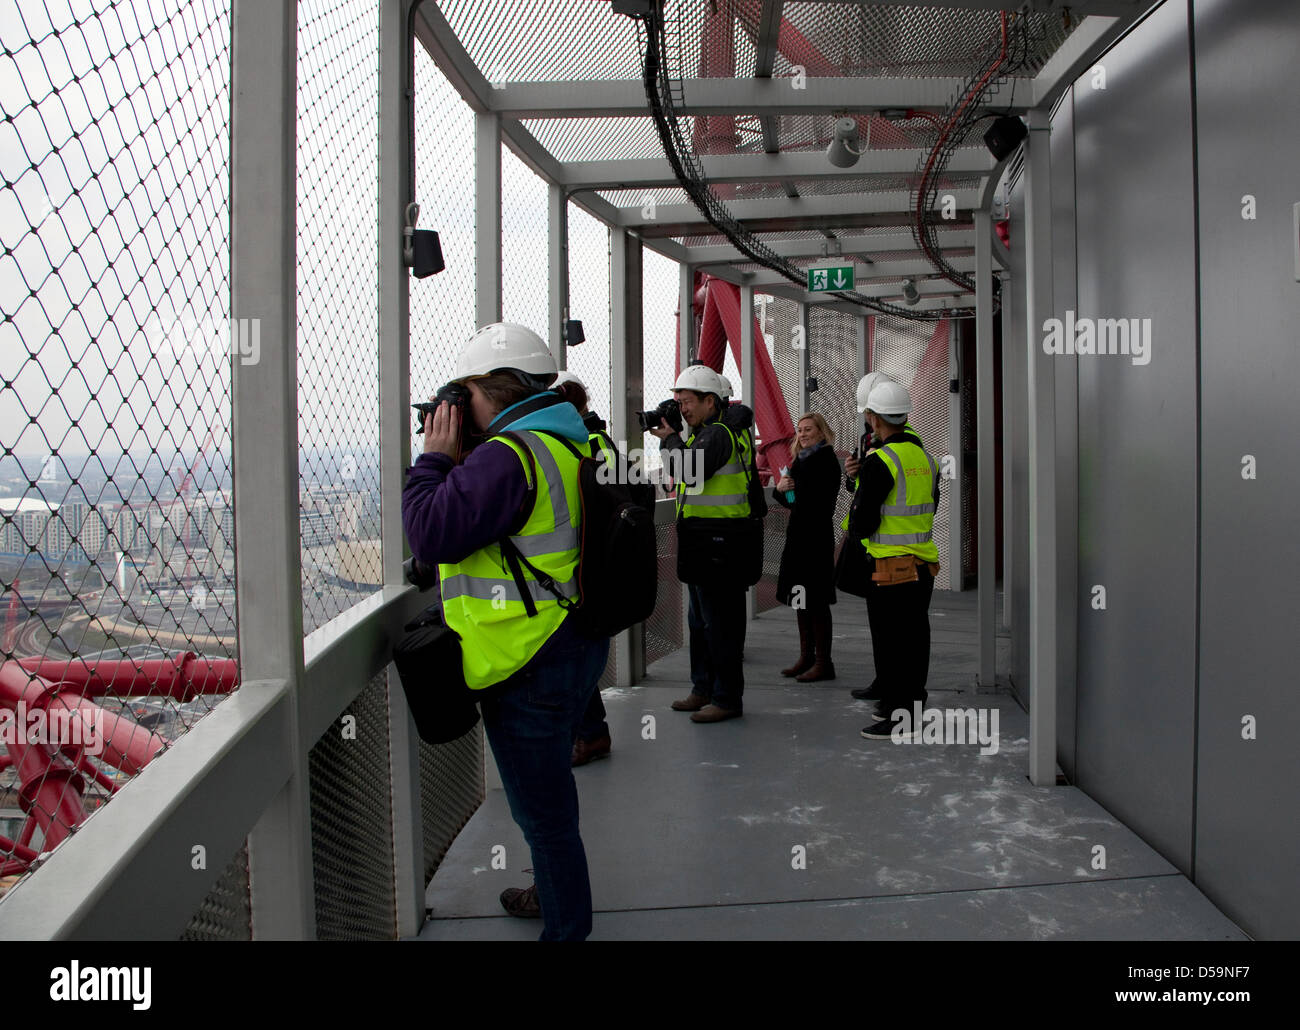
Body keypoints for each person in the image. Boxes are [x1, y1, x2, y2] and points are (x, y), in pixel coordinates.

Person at [401, 322, 609, 940]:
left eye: (462, 396)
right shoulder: (570, 442)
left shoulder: (511, 454)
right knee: (548, 801)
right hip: (573, 640)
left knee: (543, 816)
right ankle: (550, 892)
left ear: (489, 391)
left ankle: (566, 927)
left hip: (525, 659)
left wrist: (435, 458)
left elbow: (431, 534)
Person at [548, 370, 650, 767]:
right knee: (579, 648)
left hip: (583, 567)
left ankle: (590, 735)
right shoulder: (595, 442)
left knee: (576, 648)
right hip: (589, 564)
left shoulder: (584, 444)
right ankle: (590, 734)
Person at [649, 364, 752, 723]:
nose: (682, 409)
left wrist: (670, 438)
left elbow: (690, 471)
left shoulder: (718, 435)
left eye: (687, 401)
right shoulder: (709, 433)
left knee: (720, 624)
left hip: (718, 545)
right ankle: (703, 689)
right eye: (678, 402)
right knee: (701, 621)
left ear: (711, 401)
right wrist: (673, 439)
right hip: (708, 543)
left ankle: (725, 698)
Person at [848, 379, 941, 739]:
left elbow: (864, 519)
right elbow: (931, 503)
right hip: (922, 563)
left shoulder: (881, 460)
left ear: (874, 419)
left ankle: (898, 715)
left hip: (890, 566)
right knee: (914, 638)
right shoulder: (926, 458)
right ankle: (906, 705)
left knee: (892, 640)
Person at [774, 413, 841, 682]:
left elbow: (816, 503)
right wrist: (781, 488)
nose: (802, 434)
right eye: (799, 430)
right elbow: (791, 501)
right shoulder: (800, 462)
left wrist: (791, 489)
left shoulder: (825, 461)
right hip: (799, 539)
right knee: (801, 599)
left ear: (822, 432)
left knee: (817, 602)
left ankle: (824, 662)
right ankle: (807, 657)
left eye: (808, 430)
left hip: (815, 540)